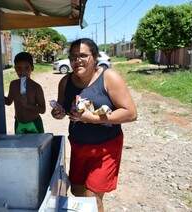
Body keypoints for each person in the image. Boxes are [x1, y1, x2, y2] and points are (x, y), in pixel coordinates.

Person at [51, 38, 137, 212]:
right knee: (77, 190)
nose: (77, 60)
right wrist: (58, 112)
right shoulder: (65, 82)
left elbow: (130, 113)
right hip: (79, 146)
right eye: (73, 56)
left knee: (92, 197)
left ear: (95, 57)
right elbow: (63, 109)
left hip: (105, 148)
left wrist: (95, 119)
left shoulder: (108, 77)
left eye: (83, 55)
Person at [4, 52, 46, 134]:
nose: (22, 72)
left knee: (38, 146)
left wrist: (27, 105)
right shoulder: (13, 84)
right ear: (15, 69)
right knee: (20, 146)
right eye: (18, 68)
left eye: (27, 68)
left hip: (34, 124)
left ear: (32, 68)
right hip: (19, 123)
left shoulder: (36, 87)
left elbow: (42, 109)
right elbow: (8, 102)